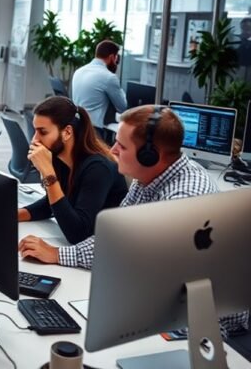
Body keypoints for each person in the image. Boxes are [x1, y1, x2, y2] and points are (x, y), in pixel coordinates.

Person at [19, 104, 248, 336]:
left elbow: (135, 258)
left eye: (122, 145)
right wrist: (59, 255)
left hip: (200, 322)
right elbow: (117, 237)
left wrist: (58, 255)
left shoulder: (182, 200)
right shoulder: (146, 178)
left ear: (149, 156)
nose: (113, 150)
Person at [18, 97, 128, 244]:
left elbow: (78, 234)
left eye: (42, 132)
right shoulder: (61, 159)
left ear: (67, 132)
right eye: (35, 131)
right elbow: (51, 204)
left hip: (105, 250)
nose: (34, 140)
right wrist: (13, 215)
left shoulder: (98, 169)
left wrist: (48, 173)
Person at [71, 40, 127, 130]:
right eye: (117, 58)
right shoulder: (109, 77)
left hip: (78, 124)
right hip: (94, 130)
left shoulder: (79, 71)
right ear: (112, 57)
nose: (117, 62)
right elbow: (122, 108)